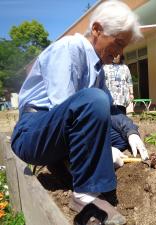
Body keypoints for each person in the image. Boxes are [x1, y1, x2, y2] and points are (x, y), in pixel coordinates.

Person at [10, 1, 148, 224]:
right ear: (96, 30)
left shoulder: (97, 70)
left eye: (124, 47)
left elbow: (111, 113)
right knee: (94, 99)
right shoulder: (69, 48)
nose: (119, 53)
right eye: (118, 43)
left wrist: (131, 132)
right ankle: (86, 194)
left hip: (58, 131)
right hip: (32, 133)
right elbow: (66, 105)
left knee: (117, 130)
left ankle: (64, 165)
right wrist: (102, 150)